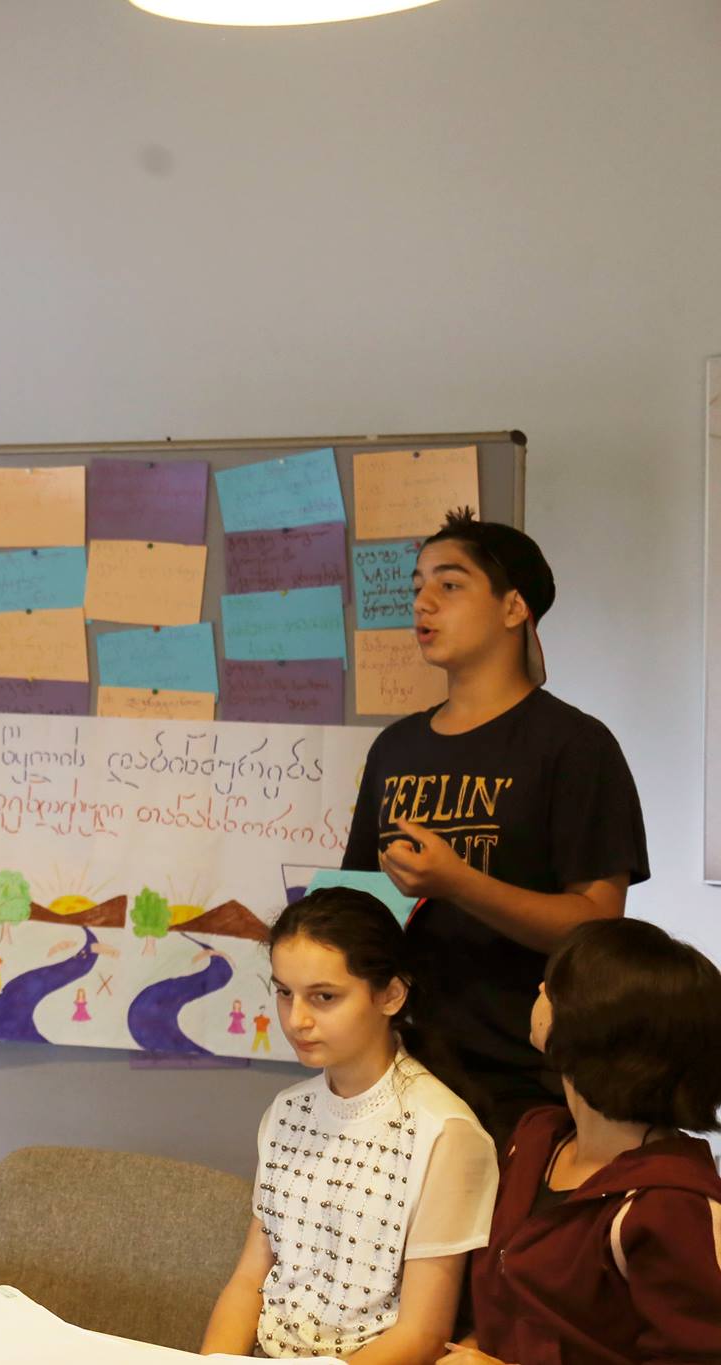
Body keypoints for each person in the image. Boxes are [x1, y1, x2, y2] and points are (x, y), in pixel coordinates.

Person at [341, 511, 648, 1143]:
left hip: (524, 1084)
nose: (423, 602)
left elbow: (595, 924)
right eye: (418, 586)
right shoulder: (395, 748)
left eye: (449, 584)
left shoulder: (575, 746)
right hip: (396, 1072)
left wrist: (457, 882)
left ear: (514, 607)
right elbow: (358, 908)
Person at [202, 888, 498, 1362]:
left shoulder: (444, 1131)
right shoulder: (287, 1111)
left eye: (324, 997)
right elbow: (249, 1280)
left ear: (391, 995)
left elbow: (422, 1333)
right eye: (285, 993)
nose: (297, 1020)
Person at [447, 918, 721, 1365]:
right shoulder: (536, 1137)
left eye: (555, 987)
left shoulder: (669, 1203)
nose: (540, 988)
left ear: (593, 1028)